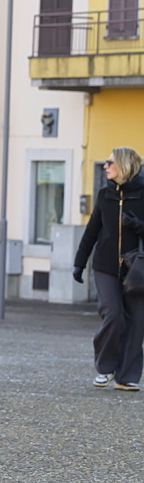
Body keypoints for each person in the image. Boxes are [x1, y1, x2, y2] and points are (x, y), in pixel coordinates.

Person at [73, 146, 144, 391]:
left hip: (137, 268)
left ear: (124, 165)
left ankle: (127, 377)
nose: (105, 166)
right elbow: (92, 230)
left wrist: (138, 226)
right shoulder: (105, 195)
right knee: (112, 314)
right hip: (105, 266)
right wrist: (79, 263)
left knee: (136, 322)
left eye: (110, 162)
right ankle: (105, 367)